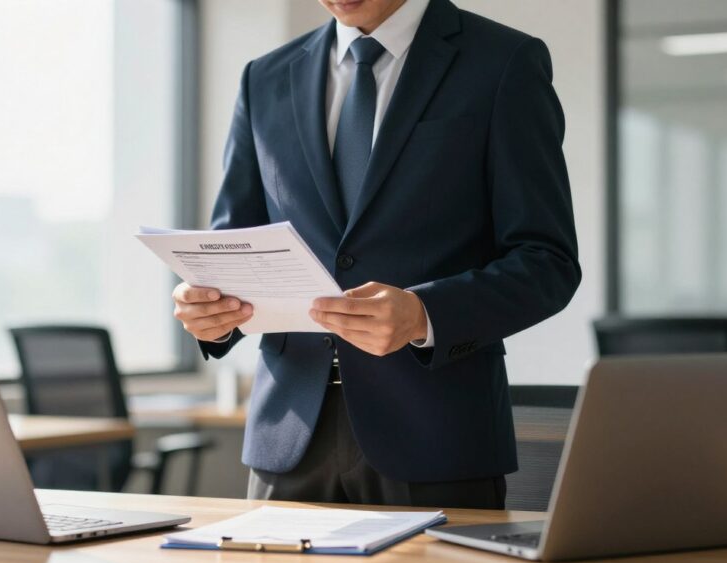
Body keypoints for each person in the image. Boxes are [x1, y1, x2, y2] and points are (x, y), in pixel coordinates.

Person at [172, 0, 581, 509]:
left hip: (437, 439)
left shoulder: (502, 62)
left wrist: (423, 315)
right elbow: (234, 245)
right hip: (289, 437)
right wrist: (211, 310)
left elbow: (547, 261)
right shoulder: (265, 77)